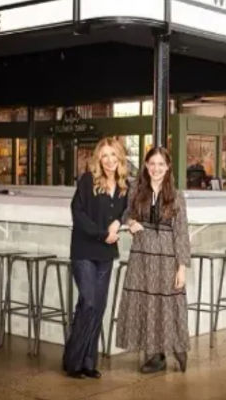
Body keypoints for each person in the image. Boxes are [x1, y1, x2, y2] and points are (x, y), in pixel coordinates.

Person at [116, 147, 190, 373]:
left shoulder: (176, 196)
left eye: (161, 164)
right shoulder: (136, 191)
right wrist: (130, 222)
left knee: (167, 304)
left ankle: (177, 346)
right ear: (146, 166)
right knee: (147, 304)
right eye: (152, 164)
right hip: (142, 256)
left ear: (168, 168)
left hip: (167, 256)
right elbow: (125, 213)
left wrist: (182, 267)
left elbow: (181, 232)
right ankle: (156, 356)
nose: (156, 169)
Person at [63, 137, 129, 379]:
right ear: (98, 159)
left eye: (113, 155)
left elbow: (127, 209)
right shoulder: (87, 180)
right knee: (89, 302)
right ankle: (73, 361)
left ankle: (87, 362)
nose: (109, 160)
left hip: (106, 253)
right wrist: (103, 234)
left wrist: (119, 221)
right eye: (105, 156)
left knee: (97, 307)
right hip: (84, 249)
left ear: (120, 157)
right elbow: (77, 213)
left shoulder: (123, 185)